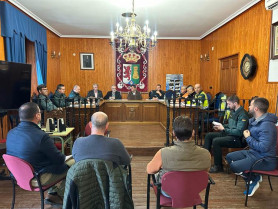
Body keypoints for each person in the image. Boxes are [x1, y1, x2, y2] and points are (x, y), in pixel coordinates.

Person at [6, 102, 73, 206]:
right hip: (38, 178)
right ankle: (58, 194)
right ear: (37, 115)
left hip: (18, 177)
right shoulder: (41, 136)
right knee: (72, 164)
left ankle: (53, 193)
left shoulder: (10, 133)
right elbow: (59, 160)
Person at [147, 116, 211, 196]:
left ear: (173, 133)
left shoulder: (163, 152)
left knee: (157, 174)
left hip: (169, 192)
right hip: (194, 190)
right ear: (193, 132)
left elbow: (149, 170)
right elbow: (205, 171)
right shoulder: (206, 153)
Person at [226, 97, 277, 196]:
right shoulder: (255, 120)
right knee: (229, 157)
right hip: (253, 153)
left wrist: (248, 137)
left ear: (256, 109)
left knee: (234, 166)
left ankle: (252, 179)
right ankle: (253, 177)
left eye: (251, 105)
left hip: (265, 159)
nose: (248, 107)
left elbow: (263, 147)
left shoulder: (267, 126)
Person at [204, 95, 249, 173]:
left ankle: (218, 166)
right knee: (209, 135)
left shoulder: (242, 114)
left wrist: (224, 129)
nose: (227, 106)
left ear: (235, 103)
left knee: (216, 141)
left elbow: (239, 132)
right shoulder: (233, 111)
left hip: (237, 139)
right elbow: (230, 125)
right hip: (229, 134)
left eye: (229, 104)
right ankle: (204, 159)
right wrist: (221, 126)